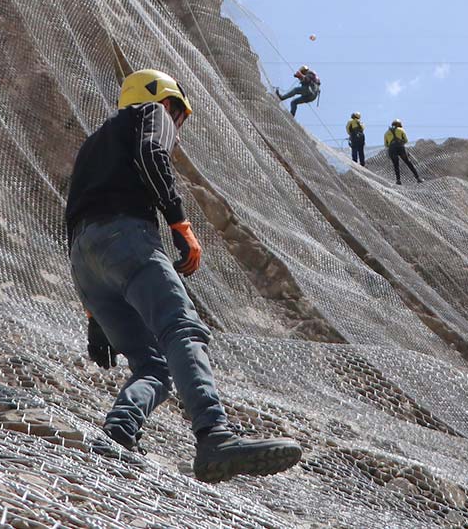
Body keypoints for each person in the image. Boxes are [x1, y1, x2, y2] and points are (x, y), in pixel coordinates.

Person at [66, 69, 303, 483]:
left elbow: (72, 222)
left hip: (86, 261)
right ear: (166, 101)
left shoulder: (92, 146)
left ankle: (118, 433)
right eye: (178, 115)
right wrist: (180, 224)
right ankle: (215, 435)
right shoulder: (150, 113)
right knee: (181, 329)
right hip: (129, 238)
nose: (176, 126)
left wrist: (94, 318)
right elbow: (152, 154)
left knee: (153, 368)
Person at [384, 119, 422, 185]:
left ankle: (398, 180)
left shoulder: (386, 133)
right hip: (400, 147)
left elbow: (386, 145)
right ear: (399, 125)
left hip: (392, 149)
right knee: (408, 162)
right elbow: (406, 140)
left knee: (396, 165)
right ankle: (418, 178)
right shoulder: (401, 130)